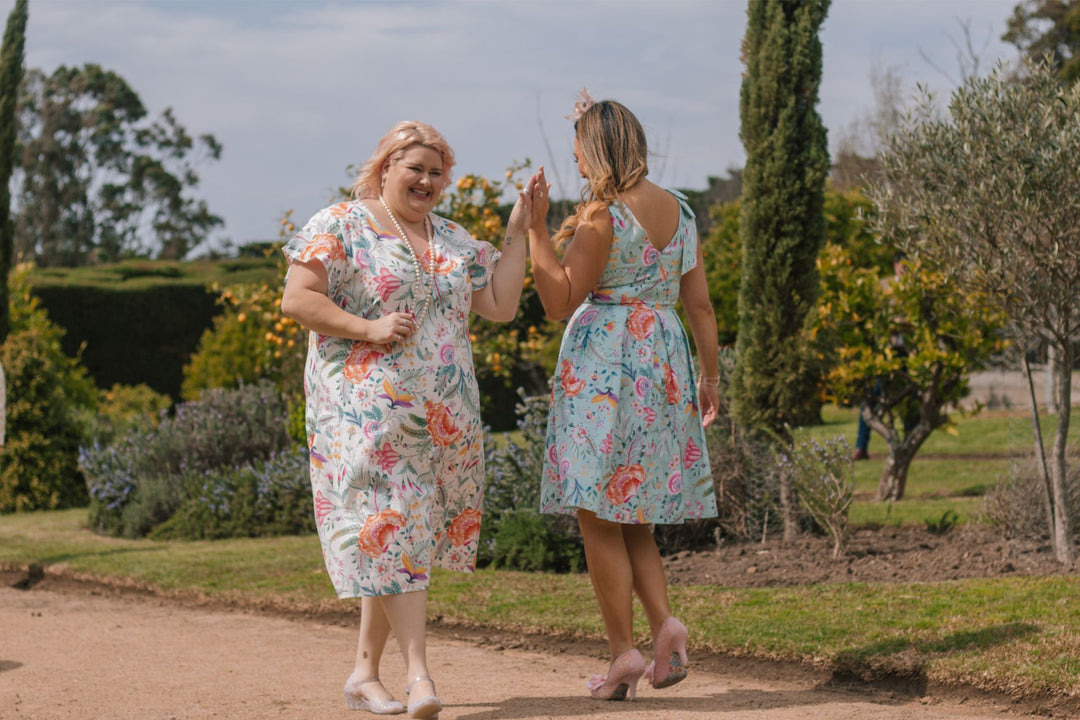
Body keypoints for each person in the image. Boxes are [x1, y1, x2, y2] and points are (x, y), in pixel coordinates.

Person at [280, 120, 531, 718]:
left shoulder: (452, 238)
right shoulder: (340, 223)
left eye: (436, 172)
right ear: (385, 166)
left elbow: (499, 305)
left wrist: (519, 233)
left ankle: (364, 674)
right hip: (365, 413)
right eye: (414, 167)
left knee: (398, 538)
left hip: (441, 415)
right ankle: (420, 676)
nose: (425, 180)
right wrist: (368, 327)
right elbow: (297, 299)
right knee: (395, 526)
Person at [526, 92, 720, 702]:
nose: (576, 164)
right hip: (662, 363)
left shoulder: (601, 216)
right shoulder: (682, 213)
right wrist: (709, 378)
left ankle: (623, 654)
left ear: (599, 150)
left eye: (580, 151)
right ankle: (666, 627)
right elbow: (701, 305)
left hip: (604, 367)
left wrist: (535, 231)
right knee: (633, 508)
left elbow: (558, 301)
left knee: (595, 512)